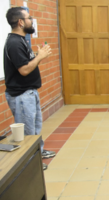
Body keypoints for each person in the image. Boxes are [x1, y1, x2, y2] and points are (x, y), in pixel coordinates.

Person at [4, 7, 54, 170]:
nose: (31, 21)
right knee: (27, 132)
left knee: (35, 127)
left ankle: (37, 151)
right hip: (21, 96)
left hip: (29, 92)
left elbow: (27, 65)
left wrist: (37, 57)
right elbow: (24, 70)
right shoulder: (14, 43)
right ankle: (31, 165)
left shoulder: (21, 40)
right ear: (20, 22)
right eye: (29, 18)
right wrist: (40, 57)